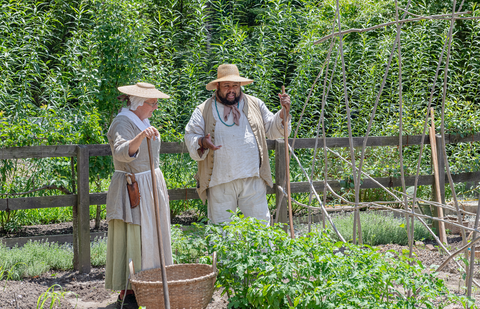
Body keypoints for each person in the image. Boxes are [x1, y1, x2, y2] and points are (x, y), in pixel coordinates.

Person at [184, 64, 291, 226]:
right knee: (222, 233)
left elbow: (273, 129)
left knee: (260, 230)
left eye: (235, 85)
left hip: (252, 179)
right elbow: (191, 136)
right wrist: (202, 142)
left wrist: (284, 113)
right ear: (218, 86)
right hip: (220, 182)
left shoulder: (255, 103)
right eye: (227, 86)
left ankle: (264, 253)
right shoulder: (203, 109)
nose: (231, 90)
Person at [105, 82, 173, 309]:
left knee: (151, 237)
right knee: (134, 237)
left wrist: (144, 132)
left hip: (150, 184)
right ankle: (129, 292)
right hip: (133, 187)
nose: (155, 107)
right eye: (152, 103)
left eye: (156, 103)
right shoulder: (122, 122)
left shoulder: (142, 120)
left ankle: (150, 286)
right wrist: (141, 136)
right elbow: (122, 151)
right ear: (137, 103)